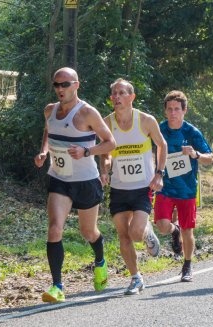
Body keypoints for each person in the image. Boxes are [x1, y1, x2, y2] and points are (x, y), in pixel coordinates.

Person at [34, 67, 116, 303]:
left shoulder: (88, 113)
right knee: (54, 229)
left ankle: (100, 260)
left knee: (88, 232)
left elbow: (110, 142)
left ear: (76, 85)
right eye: (56, 85)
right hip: (59, 179)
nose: (60, 89)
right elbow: (48, 132)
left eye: (65, 84)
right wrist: (43, 152)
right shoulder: (49, 110)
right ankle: (57, 286)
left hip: (86, 181)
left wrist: (86, 150)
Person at [100, 78, 167, 295]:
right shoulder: (107, 123)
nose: (117, 97)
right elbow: (106, 152)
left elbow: (162, 144)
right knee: (123, 234)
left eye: (121, 93)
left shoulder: (146, 121)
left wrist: (159, 173)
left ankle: (147, 234)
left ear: (132, 97)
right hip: (119, 187)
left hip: (142, 187)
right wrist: (105, 168)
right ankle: (135, 278)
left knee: (135, 232)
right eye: (114, 94)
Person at [154, 90, 213, 282]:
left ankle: (187, 264)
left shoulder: (191, 132)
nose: (173, 113)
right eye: (169, 109)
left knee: (188, 230)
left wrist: (195, 154)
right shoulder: (159, 129)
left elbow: (209, 158)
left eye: (177, 109)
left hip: (187, 189)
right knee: (162, 226)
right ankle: (174, 230)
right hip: (165, 186)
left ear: (184, 111)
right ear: (165, 111)